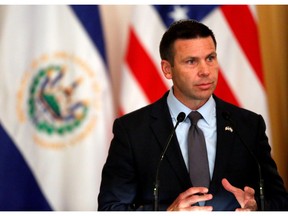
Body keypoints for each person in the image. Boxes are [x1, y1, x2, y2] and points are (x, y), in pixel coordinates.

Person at [98, 19, 288, 211]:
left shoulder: (249, 126)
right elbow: (110, 208)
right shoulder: (132, 130)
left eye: (210, 58)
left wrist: (258, 209)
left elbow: (280, 202)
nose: (205, 71)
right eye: (191, 61)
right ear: (167, 69)